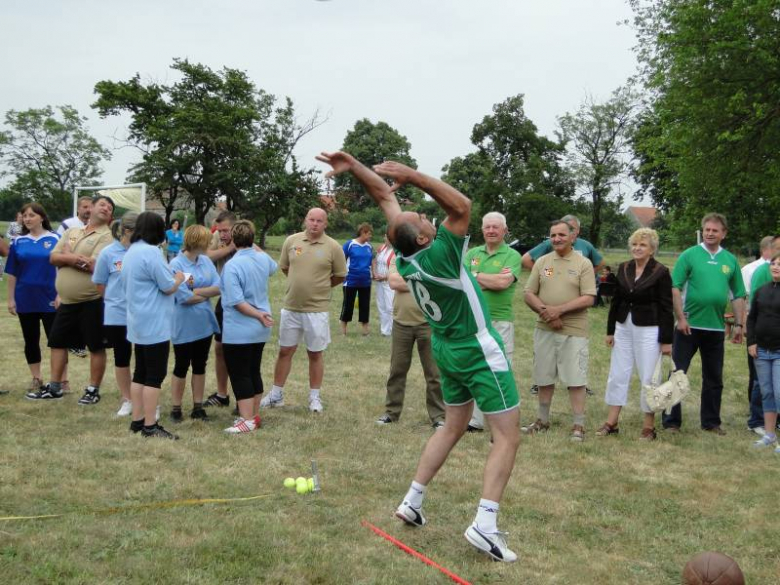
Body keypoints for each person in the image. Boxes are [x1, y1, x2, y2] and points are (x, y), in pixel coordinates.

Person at [317, 150, 521, 563]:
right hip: (476, 348)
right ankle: (485, 523)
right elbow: (461, 204)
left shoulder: (407, 258)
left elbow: (386, 201)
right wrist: (413, 175)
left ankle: (412, 500)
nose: (428, 217)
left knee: (451, 426)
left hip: (446, 348)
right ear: (426, 238)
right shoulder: (441, 253)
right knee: (507, 435)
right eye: (426, 222)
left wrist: (354, 167)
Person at [663, 213, 746, 435]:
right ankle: (671, 421)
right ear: (703, 231)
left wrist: (739, 325)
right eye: (707, 229)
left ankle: (711, 422)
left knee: (714, 378)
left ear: (724, 234)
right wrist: (680, 318)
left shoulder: (730, 260)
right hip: (688, 326)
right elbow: (675, 287)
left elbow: (738, 294)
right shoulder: (689, 255)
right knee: (677, 374)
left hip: (716, 328)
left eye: (715, 230)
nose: (710, 233)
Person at [27, 195, 115, 403]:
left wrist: (67, 256)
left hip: (92, 300)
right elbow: (52, 257)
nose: (106, 209)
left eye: (110, 208)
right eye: (102, 204)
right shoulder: (71, 231)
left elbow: (95, 266)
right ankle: (55, 387)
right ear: (91, 208)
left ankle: (93, 390)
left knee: (95, 346)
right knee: (57, 342)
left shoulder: (107, 237)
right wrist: (75, 258)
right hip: (67, 301)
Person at [262, 208, 347, 413]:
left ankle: (314, 397)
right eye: (311, 219)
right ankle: (276, 394)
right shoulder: (291, 241)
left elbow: (340, 276)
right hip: (291, 307)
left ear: (325, 224)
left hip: (316, 310)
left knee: (315, 353)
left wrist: (320, 287)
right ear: (305, 220)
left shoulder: (333, 247)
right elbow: (284, 268)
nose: (315, 224)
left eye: (319, 221)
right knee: (285, 351)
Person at [522, 219, 597, 441]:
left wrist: (559, 311)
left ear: (573, 236)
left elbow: (589, 297)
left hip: (574, 330)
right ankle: (542, 420)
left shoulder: (583, 264)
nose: (556, 239)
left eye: (562, 235)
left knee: (576, 379)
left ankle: (578, 425)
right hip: (544, 329)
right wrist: (547, 313)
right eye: (553, 235)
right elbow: (528, 293)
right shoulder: (542, 262)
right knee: (543, 376)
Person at [598, 228, 673, 440]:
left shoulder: (661, 271)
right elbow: (617, 300)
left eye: (643, 245)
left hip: (650, 328)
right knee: (618, 374)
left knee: (649, 376)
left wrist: (667, 340)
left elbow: (667, 307)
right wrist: (610, 330)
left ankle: (648, 427)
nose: (637, 248)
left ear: (652, 250)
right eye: (635, 244)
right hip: (623, 327)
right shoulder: (623, 268)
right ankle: (611, 422)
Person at [122, 211, 185, 440]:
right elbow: (168, 286)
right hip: (154, 321)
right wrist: (179, 278)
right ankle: (150, 425)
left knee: (140, 372)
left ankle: (137, 421)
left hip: (137, 319)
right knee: (154, 376)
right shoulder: (152, 252)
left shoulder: (131, 251)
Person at [464, 211, 521, 433]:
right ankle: (475, 420)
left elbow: (502, 283)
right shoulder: (472, 253)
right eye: (487, 227)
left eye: (496, 227)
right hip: (473, 321)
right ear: (482, 229)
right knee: (473, 368)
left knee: (501, 369)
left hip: (500, 321)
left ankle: (504, 420)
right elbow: (462, 280)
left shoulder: (512, 255)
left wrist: (475, 276)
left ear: (505, 230)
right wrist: (487, 278)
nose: (491, 231)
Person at [220, 220, 277, 433]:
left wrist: (258, 314)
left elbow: (237, 301)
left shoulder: (232, 265)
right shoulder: (262, 258)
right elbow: (273, 267)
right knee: (253, 370)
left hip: (240, 328)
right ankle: (253, 416)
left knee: (240, 373)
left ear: (233, 240)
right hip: (260, 328)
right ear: (253, 239)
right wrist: (261, 316)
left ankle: (247, 419)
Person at [375, 261, 445, 428]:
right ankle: (391, 413)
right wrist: (425, 280)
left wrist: (409, 280)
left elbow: (439, 284)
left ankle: (439, 417)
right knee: (397, 370)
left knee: (434, 373)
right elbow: (393, 283)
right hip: (401, 323)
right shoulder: (399, 258)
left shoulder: (433, 257)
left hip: (429, 323)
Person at [5, 203, 62, 394]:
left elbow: (62, 269)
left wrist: (60, 294)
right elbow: (12, 273)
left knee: (56, 340)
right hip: (25, 298)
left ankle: (61, 380)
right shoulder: (18, 242)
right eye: (25, 216)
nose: (27, 219)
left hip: (50, 298)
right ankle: (36, 378)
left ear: (42, 217)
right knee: (31, 340)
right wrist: (11, 299)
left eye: (31, 215)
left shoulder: (55, 239)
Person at [169, 224, 221, 422]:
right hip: (184, 323)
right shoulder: (176, 264)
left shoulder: (206, 261)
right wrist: (203, 293)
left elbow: (219, 287)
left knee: (200, 364)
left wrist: (197, 292)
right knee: (181, 365)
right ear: (197, 242)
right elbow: (182, 297)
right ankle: (176, 408)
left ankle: (198, 407)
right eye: (207, 240)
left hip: (204, 323)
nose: (210, 243)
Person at [92, 212, 138, 417]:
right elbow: (100, 284)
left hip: (142, 313)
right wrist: (115, 300)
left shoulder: (144, 251)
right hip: (117, 315)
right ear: (127, 231)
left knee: (144, 358)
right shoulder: (108, 253)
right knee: (122, 357)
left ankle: (143, 398)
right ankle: (127, 399)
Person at [742, 235, 777, 435]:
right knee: (760, 381)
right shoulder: (760, 274)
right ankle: (756, 419)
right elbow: (753, 311)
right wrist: (751, 337)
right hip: (762, 339)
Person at [202, 211, 238, 409]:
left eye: (226, 230)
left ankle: (243, 396)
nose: (222, 234)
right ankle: (222, 394)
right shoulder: (217, 237)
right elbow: (206, 257)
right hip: (224, 300)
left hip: (243, 302)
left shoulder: (243, 237)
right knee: (220, 348)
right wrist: (228, 248)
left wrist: (236, 245)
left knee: (239, 349)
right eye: (220, 230)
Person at [747, 251, 780, 452]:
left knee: (779, 392)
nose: (776, 267)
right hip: (761, 351)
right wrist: (751, 342)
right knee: (766, 392)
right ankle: (769, 435)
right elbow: (752, 319)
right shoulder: (761, 291)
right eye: (774, 263)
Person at [521, 214, 604, 273]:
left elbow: (601, 263)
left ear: (578, 230)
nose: (569, 231)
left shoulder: (586, 245)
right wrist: (547, 274)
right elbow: (526, 259)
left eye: (572, 228)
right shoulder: (551, 243)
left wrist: (588, 275)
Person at [340, 223, 374, 336]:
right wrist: (341, 273)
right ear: (363, 232)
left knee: (365, 305)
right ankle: (343, 330)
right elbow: (341, 259)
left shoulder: (369, 247)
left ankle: (365, 330)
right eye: (369, 234)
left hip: (365, 281)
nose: (370, 236)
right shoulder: (349, 245)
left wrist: (373, 273)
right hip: (351, 280)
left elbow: (372, 262)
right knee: (348, 305)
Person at [373, 232, 395, 337]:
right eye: (385, 237)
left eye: (388, 237)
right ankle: (384, 330)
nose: (386, 239)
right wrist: (374, 272)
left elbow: (397, 270)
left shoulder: (396, 251)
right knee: (381, 305)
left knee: (390, 306)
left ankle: (392, 330)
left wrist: (385, 277)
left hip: (389, 282)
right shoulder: (381, 248)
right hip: (379, 281)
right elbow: (374, 261)